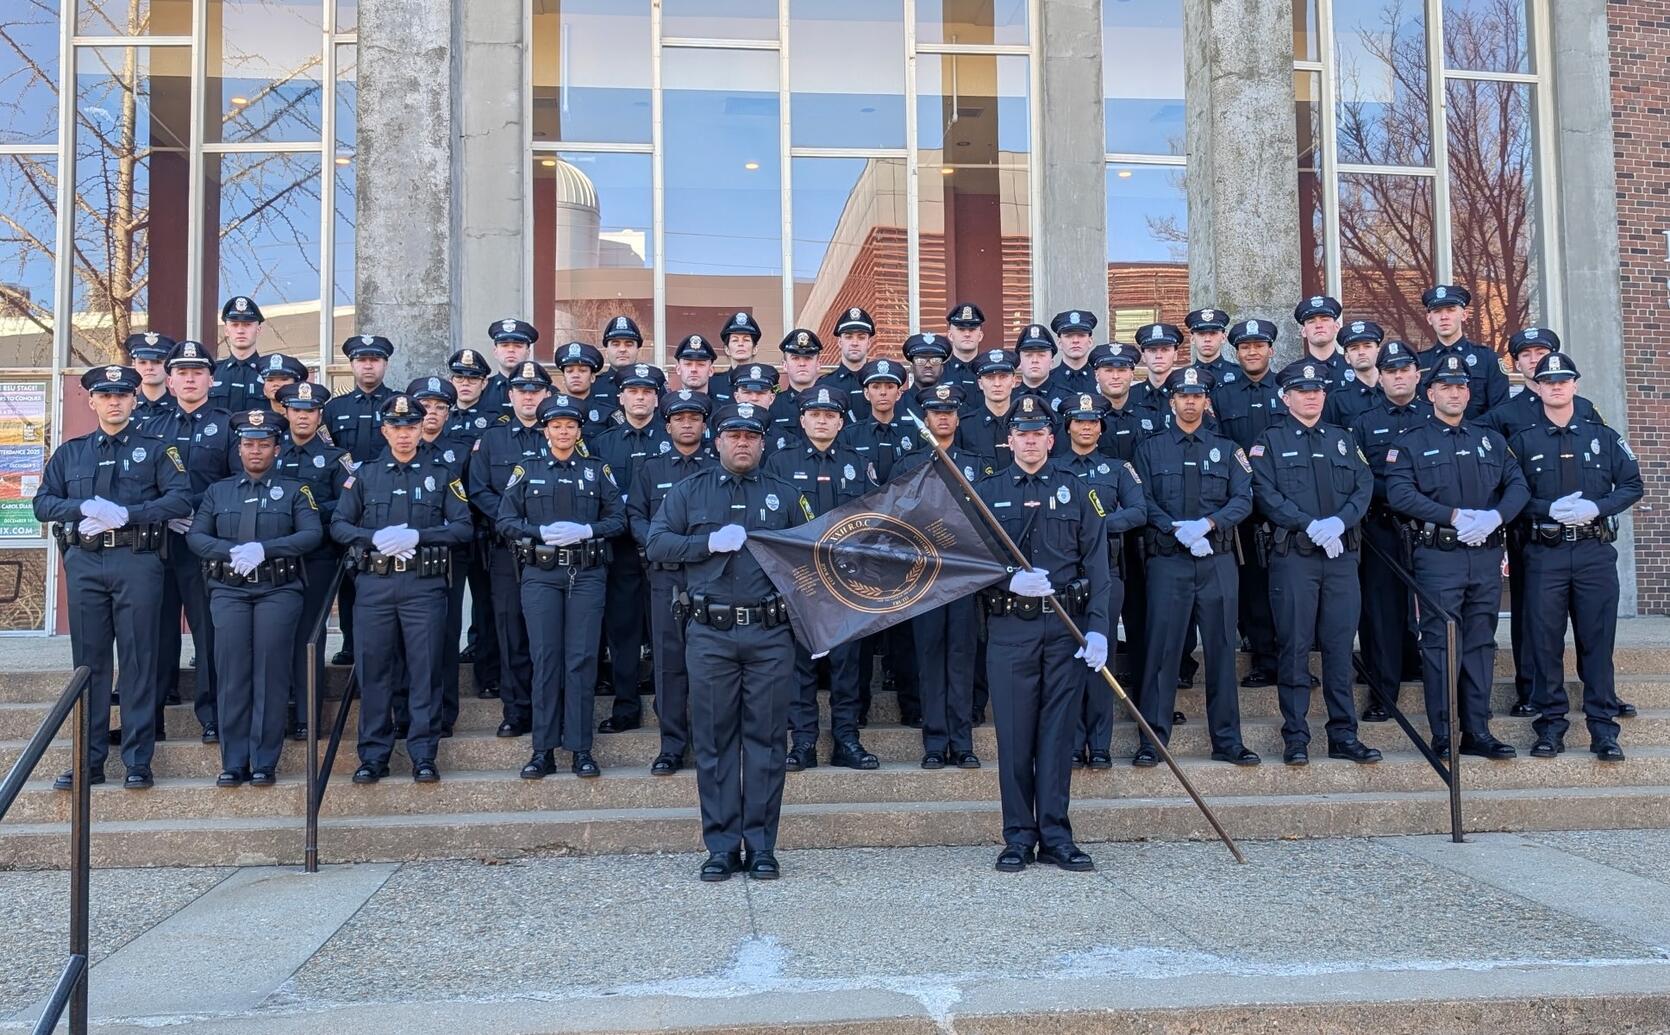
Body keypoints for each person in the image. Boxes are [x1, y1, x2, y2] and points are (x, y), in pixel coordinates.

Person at [646, 402, 813, 882]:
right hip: (710, 633)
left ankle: (761, 846)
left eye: (751, 435)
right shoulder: (688, 492)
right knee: (715, 741)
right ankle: (720, 846)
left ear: (763, 442)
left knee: (764, 740)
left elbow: (811, 556)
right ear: (716, 441)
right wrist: (707, 543)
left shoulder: (786, 496)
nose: (742, 442)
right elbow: (657, 544)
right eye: (733, 435)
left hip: (769, 634)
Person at [973, 394, 1110, 873]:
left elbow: (1098, 566)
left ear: (1052, 439)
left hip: (1066, 630)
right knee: (1014, 738)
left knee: (1056, 738)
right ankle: (1017, 837)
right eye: (1021, 433)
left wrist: (1098, 631)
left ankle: (1055, 835)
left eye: (1038, 434)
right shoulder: (987, 493)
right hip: (1011, 628)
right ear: (1009, 440)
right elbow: (971, 562)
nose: (1030, 441)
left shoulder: (1078, 489)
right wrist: (1007, 578)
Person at [38, 366, 191, 791]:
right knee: (89, 665)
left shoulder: (158, 449)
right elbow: (43, 502)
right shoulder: (72, 452)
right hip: (85, 563)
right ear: (91, 401)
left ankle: (138, 760)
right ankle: (89, 761)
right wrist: (83, 508)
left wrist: (130, 514)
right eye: (105, 396)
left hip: (137, 561)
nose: (114, 402)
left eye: (122, 395)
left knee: (139, 661)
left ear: (134, 399)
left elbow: (180, 497)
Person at [1385, 353, 1529, 759]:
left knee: (1481, 644)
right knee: (1439, 643)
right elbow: (1399, 493)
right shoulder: (1412, 442)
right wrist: (1452, 515)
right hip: (1438, 556)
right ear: (1429, 393)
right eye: (1446, 387)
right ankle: (1445, 733)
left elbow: (1517, 485)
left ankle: (1478, 731)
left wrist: (1495, 517)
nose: (1455, 393)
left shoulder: (1489, 440)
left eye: (1461, 387)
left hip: (1484, 554)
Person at [333, 393, 472, 785]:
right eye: (396, 427)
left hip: (422, 585)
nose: (404, 434)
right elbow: (339, 525)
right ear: (384, 430)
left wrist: (418, 535)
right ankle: (373, 756)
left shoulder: (442, 474)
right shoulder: (364, 475)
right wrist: (374, 537)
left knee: (425, 670)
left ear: (421, 428)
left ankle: (423, 754)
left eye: (411, 426)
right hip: (374, 585)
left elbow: (463, 527)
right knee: (374, 671)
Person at [1509, 353, 1642, 761]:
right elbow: (1510, 495)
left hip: (1592, 551)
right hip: (1544, 554)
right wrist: (1544, 508)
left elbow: (1632, 484)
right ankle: (1550, 728)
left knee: (1597, 643)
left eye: (1563, 380)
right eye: (1548, 381)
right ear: (1536, 386)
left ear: (1576, 385)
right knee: (1545, 644)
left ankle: (1604, 730)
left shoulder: (1602, 436)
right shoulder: (1523, 441)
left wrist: (1599, 508)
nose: (1556, 386)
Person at [1248, 361, 1382, 766]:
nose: (1311, 396)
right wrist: (1308, 524)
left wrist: (1340, 522)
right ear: (1285, 398)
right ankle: (1296, 736)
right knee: (1294, 647)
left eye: (1317, 391)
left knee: (1340, 649)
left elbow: (1364, 484)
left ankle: (1343, 734)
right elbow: (1264, 492)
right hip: (1294, 558)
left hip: (1341, 558)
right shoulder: (1269, 441)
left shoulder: (1343, 439)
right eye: (1302, 391)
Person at [186, 409, 322, 786]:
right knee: (231, 673)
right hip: (229, 589)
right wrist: (229, 551)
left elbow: (311, 534)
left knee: (270, 672)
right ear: (239, 449)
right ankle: (233, 761)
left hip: (278, 590)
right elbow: (196, 536)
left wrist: (265, 548)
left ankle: (264, 761)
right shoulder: (218, 491)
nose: (256, 451)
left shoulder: (297, 490)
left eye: (263, 444)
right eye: (248, 444)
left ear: (277, 448)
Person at [1133, 367, 1258, 768]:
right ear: (1172, 401)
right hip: (1168, 561)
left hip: (1217, 560)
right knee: (1162, 652)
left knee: (1221, 650)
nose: (1190, 402)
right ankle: (1153, 739)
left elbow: (1244, 499)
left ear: (1207, 402)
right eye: (1183, 396)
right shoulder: (1150, 449)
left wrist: (1208, 524)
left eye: (1197, 396)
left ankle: (1227, 740)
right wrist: (1173, 528)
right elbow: (1142, 500)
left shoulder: (1227, 447)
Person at [1479, 327, 1607, 718]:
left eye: (1542, 352)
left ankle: (1600, 692)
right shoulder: (1504, 416)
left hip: (1583, 536)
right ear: (1516, 364)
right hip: (1528, 529)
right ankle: (1530, 688)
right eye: (1526, 355)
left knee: (1591, 619)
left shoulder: (1583, 408)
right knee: (1529, 613)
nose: (1534, 360)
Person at [496, 394, 625, 779]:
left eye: (570, 425)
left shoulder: (596, 470)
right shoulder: (528, 468)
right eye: (556, 425)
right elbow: (505, 520)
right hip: (540, 574)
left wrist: (589, 529)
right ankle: (543, 749)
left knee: (582, 660)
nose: (564, 431)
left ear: (579, 429)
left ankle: (581, 749)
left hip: (586, 573)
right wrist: (538, 532)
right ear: (546, 429)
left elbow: (619, 518)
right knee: (546, 659)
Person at [764, 383, 879, 771]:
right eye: (815, 414)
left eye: (830, 415)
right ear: (802, 419)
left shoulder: (857, 462)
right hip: (800, 579)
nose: (822, 420)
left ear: (842, 421)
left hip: (847, 581)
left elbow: (874, 519)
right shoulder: (780, 462)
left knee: (847, 665)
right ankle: (804, 742)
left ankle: (846, 739)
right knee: (801, 665)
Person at [894, 383, 994, 768]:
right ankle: (935, 742)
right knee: (931, 657)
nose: (943, 417)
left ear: (957, 417)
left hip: (966, 576)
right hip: (925, 577)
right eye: (936, 412)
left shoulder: (977, 464)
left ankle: (962, 740)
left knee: (962, 657)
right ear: (926, 417)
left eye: (949, 411)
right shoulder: (909, 465)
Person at [148, 340, 236, 741]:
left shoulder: (227, 424)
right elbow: (142, 486)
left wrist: (194, 513)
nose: (189, 378)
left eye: (197, 372)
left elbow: (234, 482)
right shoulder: (150, 426)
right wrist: (170, 512)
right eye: (181, 372)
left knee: (208, 630)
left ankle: (212, 715)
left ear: (210, 379)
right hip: (159, 542)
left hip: (204, 543)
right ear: (169, 381)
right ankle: (152, 715)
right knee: (155, 629)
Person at [1054, 392, 1146, 769]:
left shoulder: (1118, 469)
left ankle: (1101, 744)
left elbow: (1139, 511)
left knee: (1100, 660)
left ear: (1101, 427)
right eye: (1079, 421)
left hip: (1106, 575)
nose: (1086, 427)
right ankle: (1073, 744)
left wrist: (1096, 526)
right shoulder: (1055, 469)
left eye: (1093, 422)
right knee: (1069, 663)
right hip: (1064, 578)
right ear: (1069, 426)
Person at [628, 390, 717, 775]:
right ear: (667, 425)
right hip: (665, 579)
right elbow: (636, 516)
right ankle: (672, 746)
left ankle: (710, 745)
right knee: (668, 665)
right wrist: (675, 548)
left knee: (711, 665)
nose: (686, 424)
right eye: (679, 418)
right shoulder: (650, 469)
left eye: (693, 418)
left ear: (704, 424)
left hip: (708, 579)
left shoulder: (717, 469)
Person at [468, 359, 552, 739]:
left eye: (536, 390)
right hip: (507, 551)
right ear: (511, 395)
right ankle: (516, 710)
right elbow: (478, 489)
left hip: (552, 553)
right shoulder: (493, 439)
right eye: (522, 390)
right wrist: (512, 520)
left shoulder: (563, 432)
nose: (529, 397)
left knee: (548, 637)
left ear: (547, 394)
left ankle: (551, 709)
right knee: (511, 631)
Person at [1350, 341, 1431, 722]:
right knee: (1381, 612)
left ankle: (1435, 682)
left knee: (1433, 608)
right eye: (1390, 371)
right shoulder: (1364, 423)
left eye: (1404, 370)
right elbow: (1361, 476)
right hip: (1382, 526)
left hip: (1433, 527)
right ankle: (1384, 692)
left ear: (1418, 375)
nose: (1398, 376)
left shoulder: (1435, 417)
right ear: (1379, 377)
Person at [588, 363, 669, 733]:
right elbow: (596, 499)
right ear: (620, 397)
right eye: (633, 392)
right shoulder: (602, 444)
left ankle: (670, 708)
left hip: (665, 554)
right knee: (622, 632)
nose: (640, 397)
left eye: (647, 392)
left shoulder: (670, 440)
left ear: (657, 398)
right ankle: (625, 706)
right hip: (619, 551)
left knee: (668, 633)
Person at [275, 381, 355, 740]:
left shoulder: (337, 459)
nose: (302, 417)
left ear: (319, 415)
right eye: (296, 410)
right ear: (286, 413)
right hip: (272, 560)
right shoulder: (270, 452)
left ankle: (308, 717)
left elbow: (347, 506)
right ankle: (278, 713)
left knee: (310, 636)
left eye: (309, 411)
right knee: (274, 636)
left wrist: (301, 512)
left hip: (318, 558)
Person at [1211, 319, 1286, 687]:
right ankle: (1263, 658)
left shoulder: (1289, 390)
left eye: (1259, 345)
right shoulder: (1223, 396)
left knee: (1290, 588)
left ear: (1271, 350)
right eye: (1245, 347)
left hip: (1287, 507)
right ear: (1235, 352)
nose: (1252, 352)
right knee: (1253, 587)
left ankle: (1293, 662)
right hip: (1246, 509)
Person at [322, 334, 396, 665]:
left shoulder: (398, 405)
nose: (368, 365)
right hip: (348, 507)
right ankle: (351, 643)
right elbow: (328, 456)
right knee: (349, 579)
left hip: (388, 507)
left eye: (375, 359)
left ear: (385, 364)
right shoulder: (335, 409)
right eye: (362, 360)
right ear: (352, 365)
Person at [412, 376, 474, 738]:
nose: (432, 414)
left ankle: (445, 711)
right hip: (405, 562)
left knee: (447, 634)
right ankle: (408, 710)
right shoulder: (396, 452)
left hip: (449, 556)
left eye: (439, 407)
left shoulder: (461, 452)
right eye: (425, 407)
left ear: (449, 413)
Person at [443, 347, 502, 699]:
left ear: (484, 384)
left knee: (487, 603)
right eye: (460, 378)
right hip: (446, 530)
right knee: (447, 607)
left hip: (482, 526)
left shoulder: (496, 423)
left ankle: (488, 674)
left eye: (473, 379)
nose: (465, 385)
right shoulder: (438, 419)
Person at [1415, 284, 1508, 419]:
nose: (1444, 317)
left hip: (1478, 436)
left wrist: (1471, 434)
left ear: (1464, 315)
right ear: (1429, 319)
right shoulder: (1420, 362)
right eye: (1437, 311)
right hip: (1431, 437)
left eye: (1451, 310)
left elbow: (1500, 410)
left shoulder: (1487, 358)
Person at [957, 349, 1021, 470]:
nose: (997, 384)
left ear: (1013, 381)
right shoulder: (965, 427)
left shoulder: (1025, 423)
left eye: (1003, 376)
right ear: (980, 384)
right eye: (990, 377)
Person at [1323, 320, 1385, 428]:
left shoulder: (1395, 391)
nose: (1361, 352)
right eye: (1354, 348)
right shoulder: (1337, 400)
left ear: (1378, 351)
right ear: (1347, 357)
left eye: (1367, 346)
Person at [210, 295, 266, 413]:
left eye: (247, 324)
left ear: (259, 329)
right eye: (235, 325)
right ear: (226, 330)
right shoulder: (211, 372)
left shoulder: (269, 375)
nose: (240, 330)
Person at [821, 307, 877, 420]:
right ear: (840, 342)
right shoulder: (825, 384)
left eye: (861, 337)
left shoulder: (880, 383)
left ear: (869, 343)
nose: (855, 343)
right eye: (848, 337)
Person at [554, 340, 615, 439]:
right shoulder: (553, 412)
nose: (576, 375)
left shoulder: (607, 414)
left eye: (582, 371)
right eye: (569, 371)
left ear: (592, 377)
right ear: (563, 378)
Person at [480, 318, 538, 417]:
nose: (511, 350)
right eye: (504, 345)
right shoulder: (481, 390)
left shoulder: (543, 391)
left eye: (518, 346)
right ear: (495, 351)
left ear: (528, 352)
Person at [1292, 295, 1350, 385]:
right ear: (1303, 331)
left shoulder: (1353, 367)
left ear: (1337, 327)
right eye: (1311, 321)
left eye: (1325, 319)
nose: (1319, 325)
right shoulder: (1293, 373)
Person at [709, 311, 763, 405]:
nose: (740, 344)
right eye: (735, 340)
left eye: (746, 340)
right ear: (727, 349)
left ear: (754, 349)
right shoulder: (713, 383)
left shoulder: (765, 382)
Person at [126, 332, 177, 426]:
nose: (149, 367)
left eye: (157, 362)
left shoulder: (182, 408)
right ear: (134, 364)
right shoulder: (124, 408)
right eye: (142, 362)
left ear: (168, 365)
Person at [1129, 323, 1183, 411]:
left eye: (1165, 350)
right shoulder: (1129, 396)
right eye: (1152, 350)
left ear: (1175, 354)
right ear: (1143, 356)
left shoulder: (1186, 396)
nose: (1158, 356)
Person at [1046, 310, 1098, 398]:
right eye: (1068, 336)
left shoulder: (1101, 379)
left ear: (1090, 341)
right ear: (1059, 343)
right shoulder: (1047, 381)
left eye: (1081, 335)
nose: (1075, 341)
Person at [1185, 308, 1239, 384]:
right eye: (1201, 334)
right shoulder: (1184, 377)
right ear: (1192, 339)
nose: (1207, 339)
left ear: (1223, 337)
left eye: (1213, 333)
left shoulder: (1239, 374)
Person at [942, 303, 986, 396]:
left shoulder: (989, 373)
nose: (967, 334)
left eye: (972, 329)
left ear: (980, 336)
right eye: (961, 329)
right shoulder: (940, 373)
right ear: (950, 335)